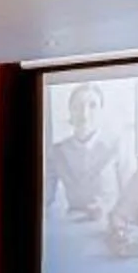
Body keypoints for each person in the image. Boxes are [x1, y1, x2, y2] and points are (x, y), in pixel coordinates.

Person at [48, 82, 122, 218]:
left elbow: (131, 197)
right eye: (77, 106)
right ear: (70, 111)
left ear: (101, 110)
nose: (84, 114)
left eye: (92, 106)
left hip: (109, 222)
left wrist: (107, 207)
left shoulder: (117, 146)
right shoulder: (57, 152)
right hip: (73, 222)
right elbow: (44, 197)